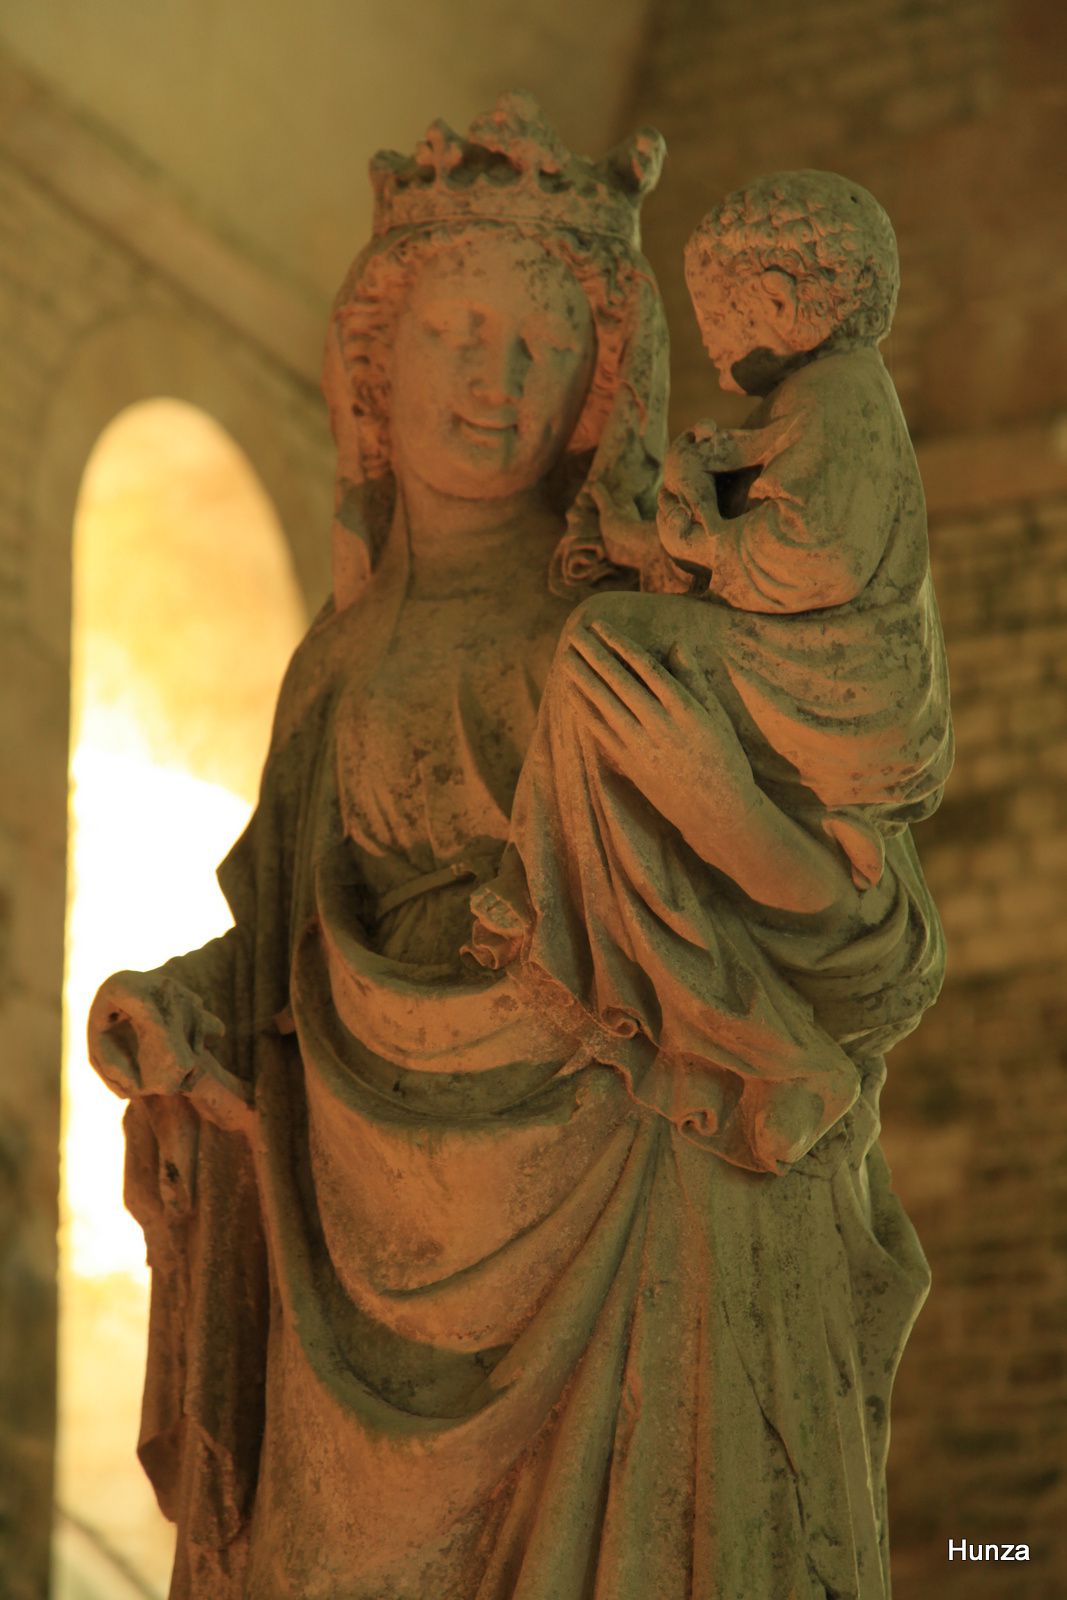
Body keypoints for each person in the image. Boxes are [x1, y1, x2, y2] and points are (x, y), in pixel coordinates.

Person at [89, 115, 936, 1599]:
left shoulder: (637, 625)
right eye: (456, 336)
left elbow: (880, 952)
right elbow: (291, 937)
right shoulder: (333, 668)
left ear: (595, 385)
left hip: (630, 1217)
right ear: (379, 361)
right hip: (354, 1247)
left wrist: (718, 810)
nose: (493, 384)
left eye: (540, 350)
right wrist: (182, 1009)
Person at [471, 169, 953, 1175]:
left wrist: (699, 552)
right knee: (613, 657)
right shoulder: (821, 401)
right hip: (807, 667)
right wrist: (668, 539)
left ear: (778, 303)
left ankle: (576, 928)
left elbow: (800, 559)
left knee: (608, 647)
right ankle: (602, 939)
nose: (712, 345)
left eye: (719, 320)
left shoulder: (834, 400)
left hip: (829, 687)